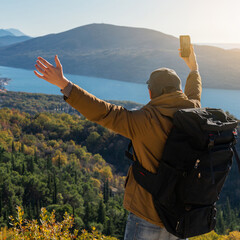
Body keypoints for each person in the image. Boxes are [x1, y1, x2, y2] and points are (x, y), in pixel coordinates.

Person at [34, 45, 201, 240]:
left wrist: (64, 84)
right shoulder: (194, 111)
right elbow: (194, 92)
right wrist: (193, 67)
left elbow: (103, 111)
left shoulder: (143, 120)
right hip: (181, 217)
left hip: (147, 216)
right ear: (179, 90)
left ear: (150, 93)